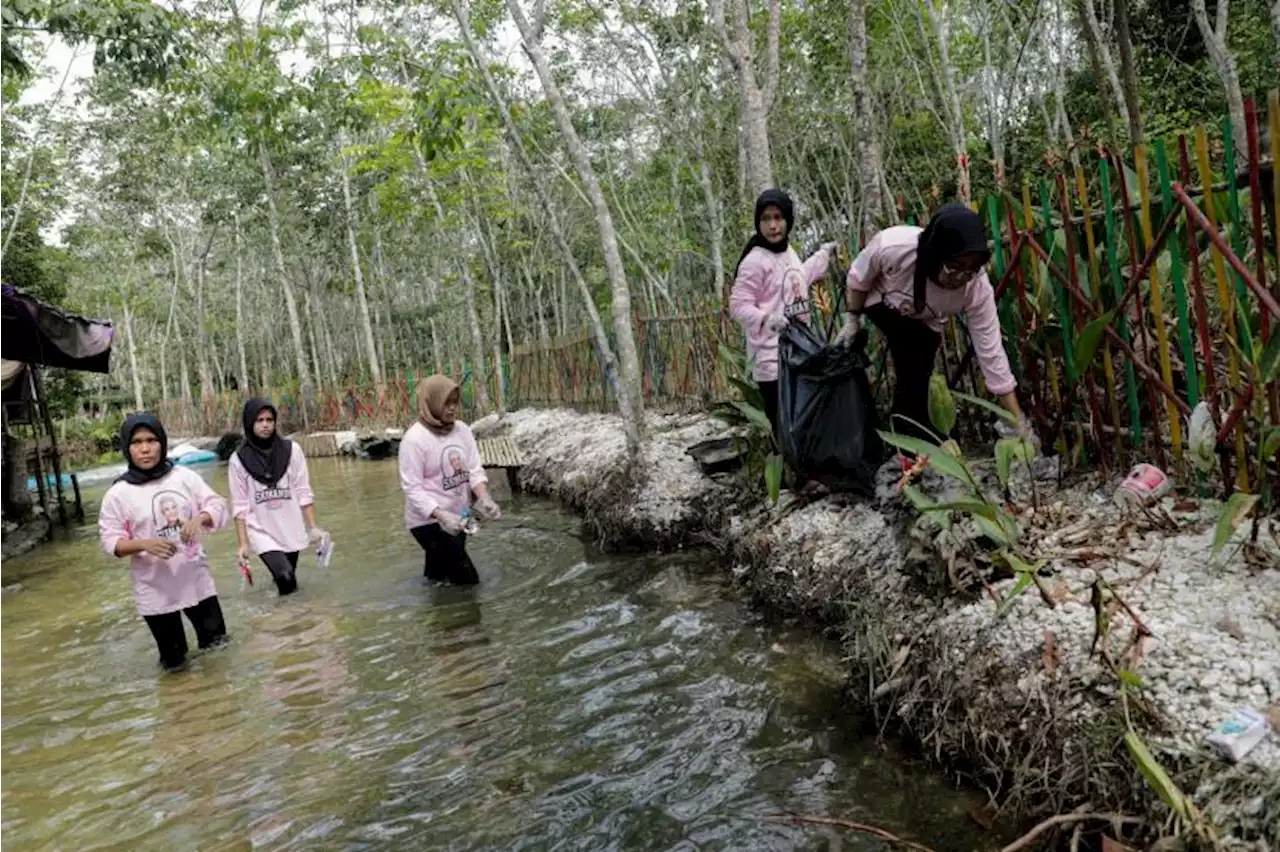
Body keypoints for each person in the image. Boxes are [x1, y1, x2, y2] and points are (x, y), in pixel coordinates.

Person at [837, 203, 1030, 450]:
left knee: (921, 365)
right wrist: (852, 318)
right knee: (912, 351)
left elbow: (991, 352)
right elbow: (857, 278)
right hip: (882, 299)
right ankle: (916, 438)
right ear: (934, 255)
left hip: (927, 316)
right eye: (954, 267)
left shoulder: (977, 288)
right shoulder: (893, 247)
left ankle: (908, 436)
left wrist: (1018, 419)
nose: (961, 277)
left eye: (969, 269)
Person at [98, 413, 230, 672]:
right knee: (174, 662)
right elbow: (110, 541)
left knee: (218, 648)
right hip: (155, 589)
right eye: (136, 442)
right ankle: (180, 709)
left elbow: (216, 504)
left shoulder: (184, 477)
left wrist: (200, 519)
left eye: (151, 440)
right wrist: (143, 544)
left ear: (162, 442)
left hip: (196, 579)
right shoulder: (118, 494)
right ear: (126, 447)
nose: (145, 449)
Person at [729, 188, 840, 434]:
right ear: (758, 223)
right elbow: (737, 305)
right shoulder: (754, 261)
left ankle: (806, 470)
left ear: (788, 219)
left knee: (805, 424)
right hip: (771, 359)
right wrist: (766, 318)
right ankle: (788, 469)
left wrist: (823, 255)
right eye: (766, 219)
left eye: (778, 217)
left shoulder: (789, 252)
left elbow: (798, 277)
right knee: (784, 427)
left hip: (800, 352)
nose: (772, 225)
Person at [400, 375, 501, 585]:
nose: (452, 408)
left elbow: (474, 469)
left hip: (459, 514)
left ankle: (432, 604)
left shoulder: (462, 430)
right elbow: (413, 488)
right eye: (447, 403)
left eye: (455, 402)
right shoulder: (414, 440)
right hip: (427, 522)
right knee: (468, 581)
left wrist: (485, 498)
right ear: (432, 403)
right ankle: (463, 616)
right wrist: (441, 515)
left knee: (439, 574)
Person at [228, 398, 326, 596]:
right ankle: (290, 620)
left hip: (290, 525)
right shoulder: (238, 460)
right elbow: (239, 505)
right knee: (285, 576)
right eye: (259, 420)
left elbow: (303, 491)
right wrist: (243, 544)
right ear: (249, 423)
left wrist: (313, 527)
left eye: (269, 420)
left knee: (287, 578)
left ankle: (287, 615)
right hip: (261, 528)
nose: (265, 425)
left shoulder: (292, 451)